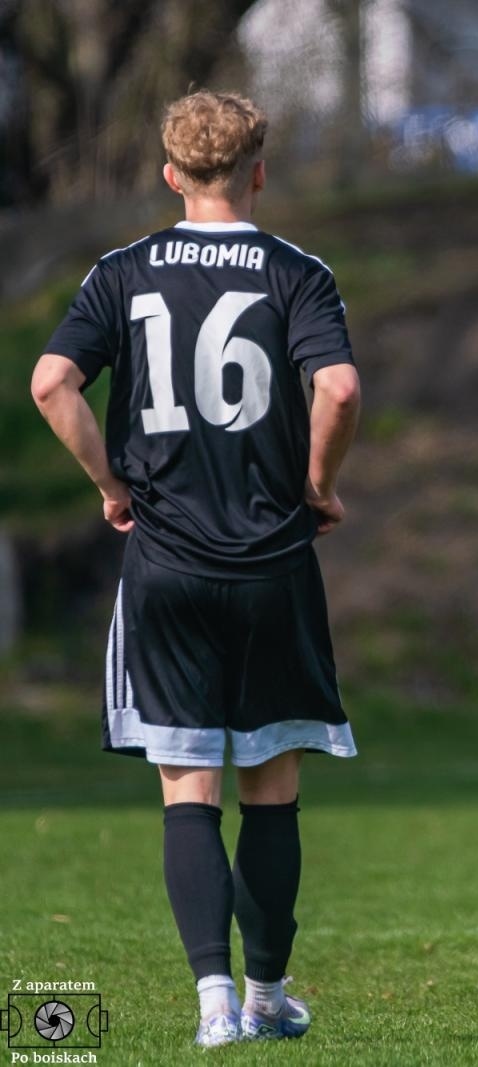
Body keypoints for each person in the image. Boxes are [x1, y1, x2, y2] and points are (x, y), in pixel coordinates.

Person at [30, 90, 361, 1046]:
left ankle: (214, 1004)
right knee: (271, 783)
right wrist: (319, 484)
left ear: (171, 175)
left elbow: (52, 382)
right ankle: (267, 996)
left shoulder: (122, 271)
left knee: (189, 788)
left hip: (167, 562)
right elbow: (335, 385)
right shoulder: (297, 271)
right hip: (272, 563)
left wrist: (113, 482)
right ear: (258, 171)